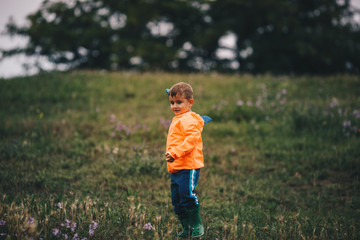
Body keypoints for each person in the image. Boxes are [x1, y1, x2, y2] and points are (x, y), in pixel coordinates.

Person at [165, 82, 205, 238]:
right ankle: (186, 228)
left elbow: (192, 139)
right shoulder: (179, 117)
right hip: (176, 166)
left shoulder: (188, 119)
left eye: (179, 102)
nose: (175, 105)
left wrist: (175, 152)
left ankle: (196, 225)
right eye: (172, 102)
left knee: (187, 194)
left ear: (190, 102)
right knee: (177, 200)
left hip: (188, 165)